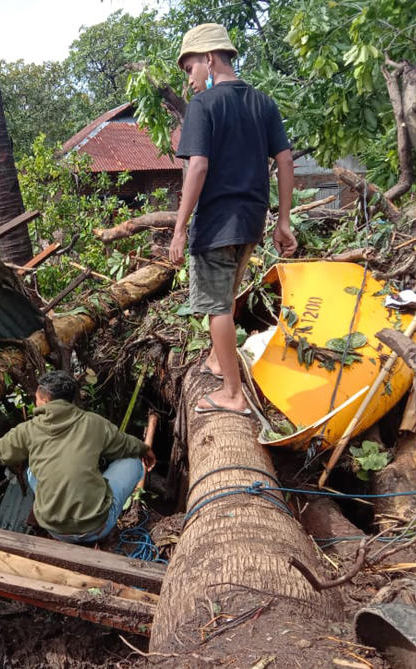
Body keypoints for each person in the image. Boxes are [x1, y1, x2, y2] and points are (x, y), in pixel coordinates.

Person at [169, 23, 298, 416]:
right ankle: (215, 359)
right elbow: (286, 160)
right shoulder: (264, 103)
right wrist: (284, 221)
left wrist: (179, 227)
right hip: (252, 221)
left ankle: (232, 393)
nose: (189, 80)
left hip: (216, 223)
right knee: (224, 297)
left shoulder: (204, 107)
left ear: (208, 59)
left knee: (216, 308)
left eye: (190, 69)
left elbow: (198, 168)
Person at [0, 370, 155, 544]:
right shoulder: (94, 424)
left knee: (33, 469)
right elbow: (127, 446)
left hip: (55, 528)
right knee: (132, 462)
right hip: (96, 527)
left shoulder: (29, 430)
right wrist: (146, 451)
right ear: (71, 400)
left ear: (43, 399)